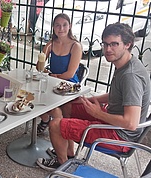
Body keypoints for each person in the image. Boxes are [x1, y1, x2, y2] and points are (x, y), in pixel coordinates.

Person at [36, 22, 151, 171]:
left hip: (119, 137)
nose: (108, 49)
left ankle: (62, 165)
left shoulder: (130, 76)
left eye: (114, 44)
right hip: (112, 120)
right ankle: (70, 154)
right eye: (105, 44)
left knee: (55, 125)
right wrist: (90, 101)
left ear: (128, 44)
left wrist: (98, 113)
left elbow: (131, 123)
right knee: (68, 104)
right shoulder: (126, 63)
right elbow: (120, 95)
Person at [36, 13, 82, 135]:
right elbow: (39, 66)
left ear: (70, 26)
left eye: (64, 25)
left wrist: (52, 76)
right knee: (33, 96)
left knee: (50, 104)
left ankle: (59, 128)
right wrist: (44, 69)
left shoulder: (75, 46)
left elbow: (70, 74)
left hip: (68, 85)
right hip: (52, 82)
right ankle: (46, 119)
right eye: (57, 25)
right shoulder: (51, 44)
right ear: (53, 27)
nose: (61, 29)